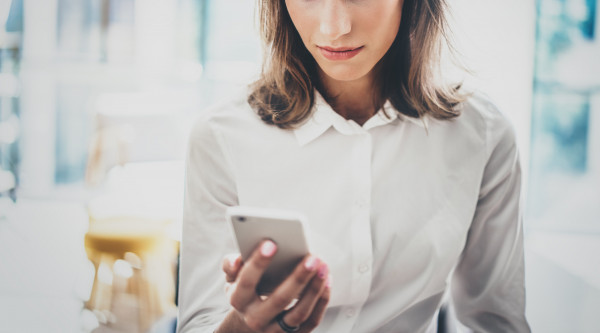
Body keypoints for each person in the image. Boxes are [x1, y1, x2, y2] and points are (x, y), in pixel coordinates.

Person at [177, 0, 531, 332]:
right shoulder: (221, 136)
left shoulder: (482, 134)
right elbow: (200, 322)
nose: (334, 28)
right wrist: (243, 326)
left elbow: (497, 321)